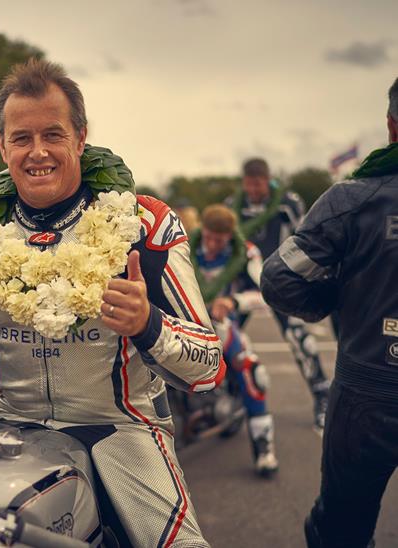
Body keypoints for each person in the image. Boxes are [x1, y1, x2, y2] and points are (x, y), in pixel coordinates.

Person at [0, 58, 223, 547]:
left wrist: (147, 325)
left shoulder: (145, 224)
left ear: (81, 138)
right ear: (2, 145)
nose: (37, 152)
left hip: (122, 430)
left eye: (53, 135)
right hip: (9, 427)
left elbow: (208, 369)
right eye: (21, 138)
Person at [261, 76, 398, 548]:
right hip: (368, 388)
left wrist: (334, 302)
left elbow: (279, 278)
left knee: (341, 529)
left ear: (390, 126)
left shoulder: (352, 199)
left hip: (369, 389)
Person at [227, 157, 331, 432]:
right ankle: (230, 398)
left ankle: (322, 397)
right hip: (245, 285)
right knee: (225, 336)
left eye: (258, 183)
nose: (254, 189)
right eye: (249, 183)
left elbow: (307, 237)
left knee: (300, 340)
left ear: (268, 178)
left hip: (280, 282)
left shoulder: (287, 203)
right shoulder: (233, 206)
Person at [191, 204, 278, 476]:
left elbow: (266, 293)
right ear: (202, 230)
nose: (214, 244)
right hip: (183, 320)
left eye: (220, 239)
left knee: (251, 370)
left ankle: (264, 448)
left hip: (224, 325)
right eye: (209, 237)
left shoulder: (247, 252)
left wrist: (232, 301)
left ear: (231, 236)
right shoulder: (182, 244)